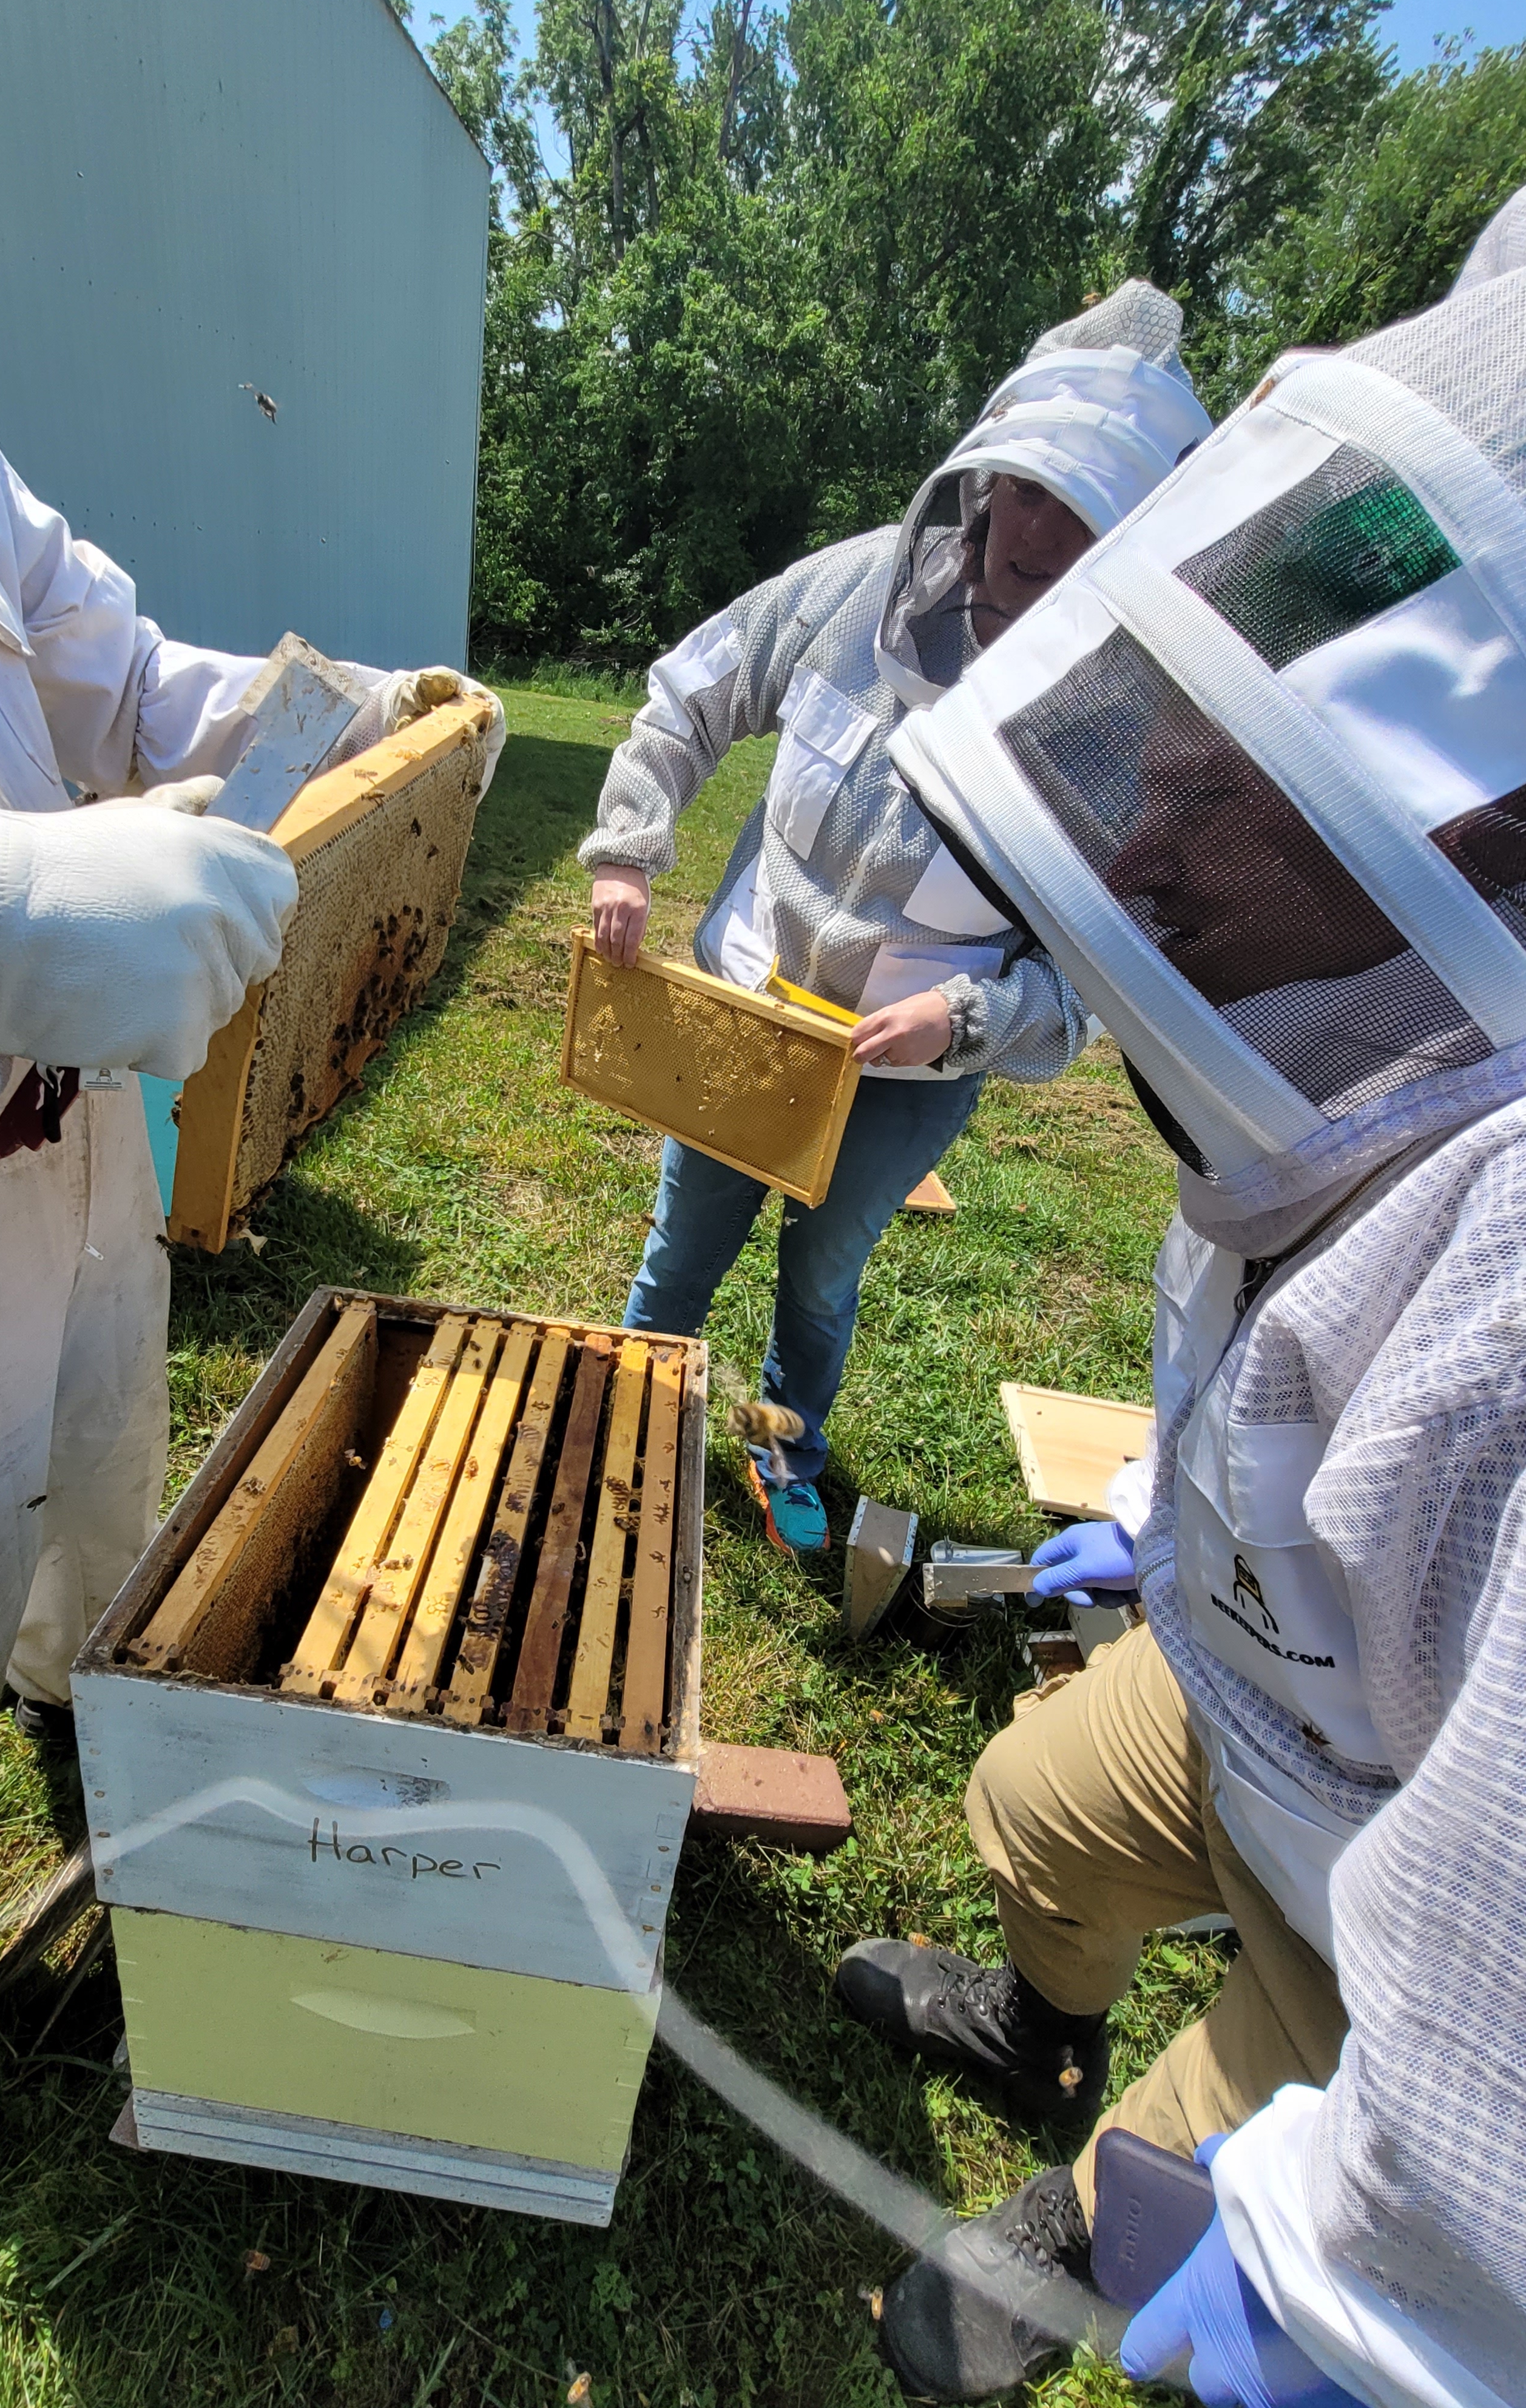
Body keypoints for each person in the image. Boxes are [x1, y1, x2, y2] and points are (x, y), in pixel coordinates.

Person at [0, 0, 499, 2243]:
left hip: (71, 1155)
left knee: (103, 1492)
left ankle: (94, 1729)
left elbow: (74, 628)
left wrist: (284, 725)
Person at [837, 188, 1526, 2407]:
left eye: (1213, 800)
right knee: (1037, 1808)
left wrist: (1336, 2319)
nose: (1129, 859)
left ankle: (1100, 2202)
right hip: (1244, 1679)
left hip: (1391, 1865)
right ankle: (1041, 2032)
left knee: (1198, 2172)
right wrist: (1174, 1526)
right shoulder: (1345, 1076)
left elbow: (1474, 2182)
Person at [580, 283, 1210, 1553]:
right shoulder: (859, 585)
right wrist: (626, 855)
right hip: (750, 1011)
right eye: (1030, 488)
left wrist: (967, 1013)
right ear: (982, 481)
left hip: (907, 1070)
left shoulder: (1124, 719)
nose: (1045, 529)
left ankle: (785, 1446)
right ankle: (635, 1415)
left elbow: (1100, 970)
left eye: (1087, 509)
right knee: (684, 1240)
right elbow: (695, 689)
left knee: (823, 1273)